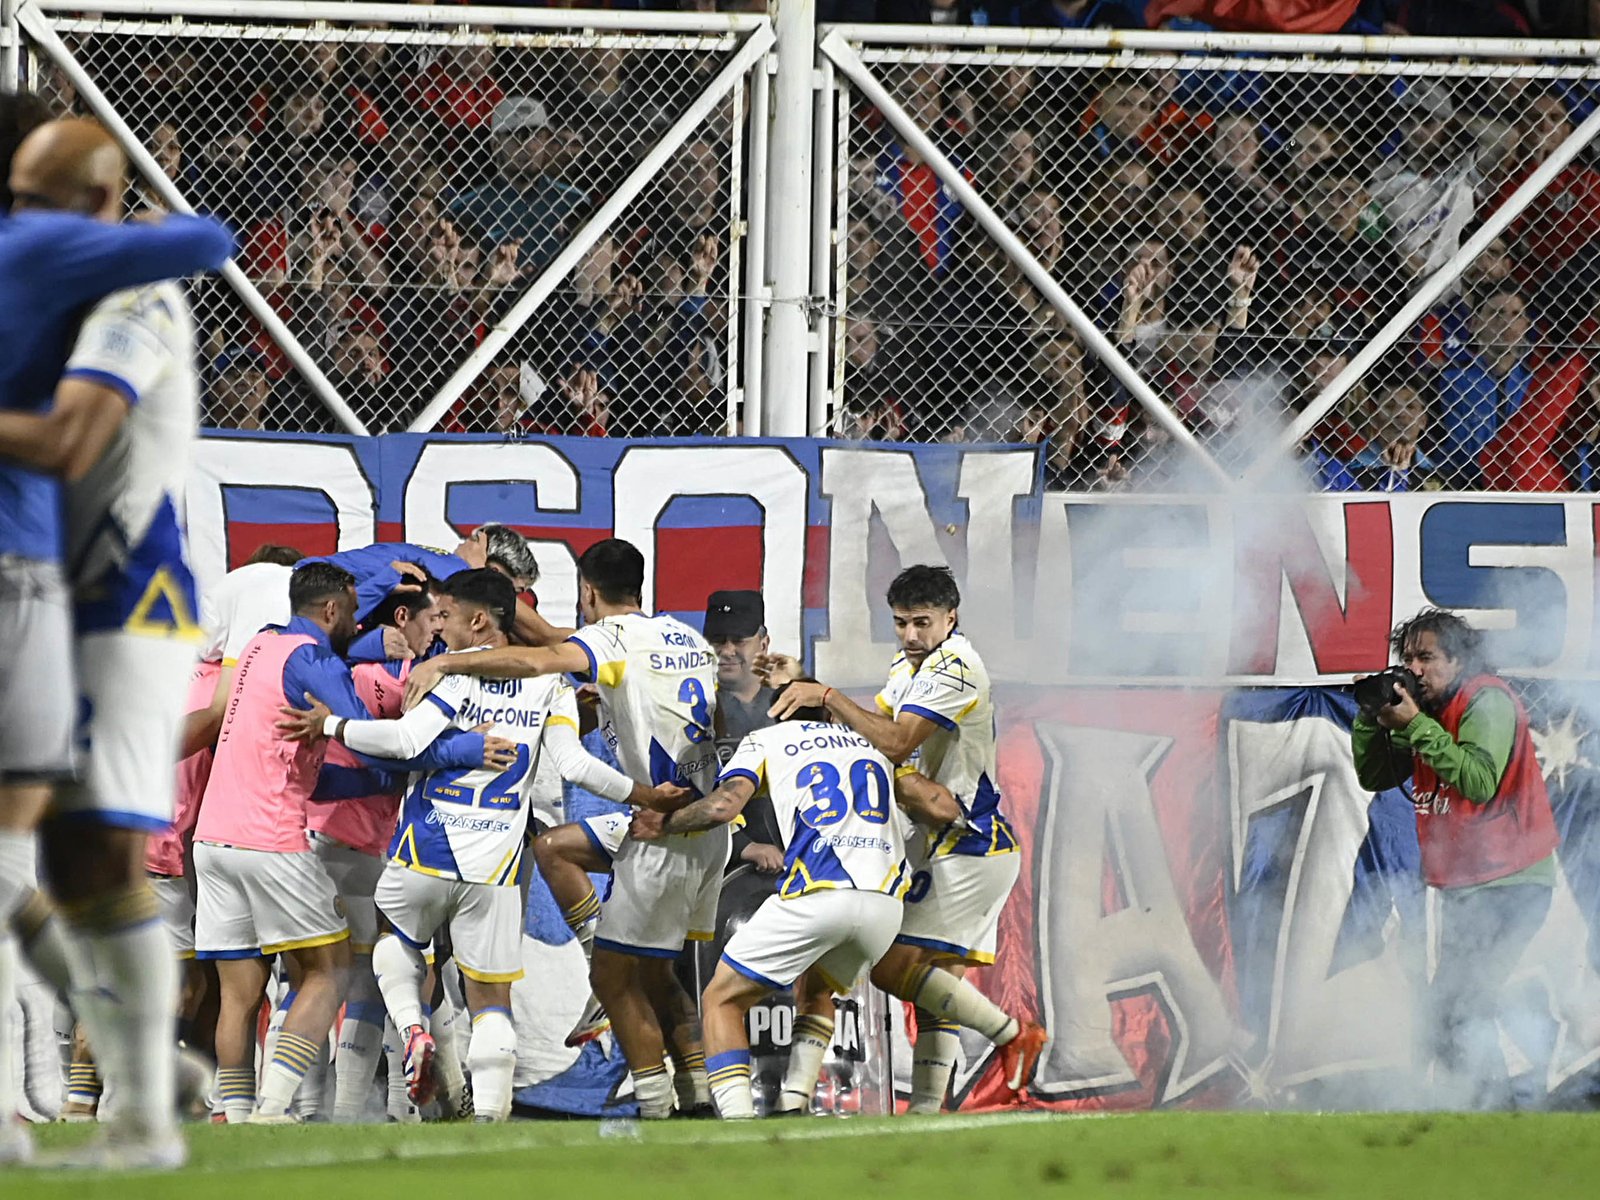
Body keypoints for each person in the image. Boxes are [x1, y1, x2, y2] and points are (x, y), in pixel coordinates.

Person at [0, 102, 232, 1167]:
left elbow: (71, 438)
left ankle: (136, 1105)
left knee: (83, 860)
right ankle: (141, 1075)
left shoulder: (130, 297)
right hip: (58, 591)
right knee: (54, 866)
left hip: (123, 602)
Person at [279, 569, 686, 1122]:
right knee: (490, 998)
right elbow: (574, 765)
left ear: (479, 621)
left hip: (426, 848)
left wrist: (331, 727)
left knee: (394, 942)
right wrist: (643, 794)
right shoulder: (551, 685)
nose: (439, 629)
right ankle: (490, 1120)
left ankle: (412, 1028)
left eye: (447, 617)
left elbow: (403, 741)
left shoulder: (453, 676)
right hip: (494, 864)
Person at [404, 537, 723, 1120]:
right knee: (638, 953)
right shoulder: (685, 637)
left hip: (663, 824)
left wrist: (444, 660)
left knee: (612, 977)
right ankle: (697, 1091)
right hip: (703, 824)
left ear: (588, 593)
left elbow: (538, 656)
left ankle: (654, 1106)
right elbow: (563, 645)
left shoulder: (610, 638)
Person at [191, 561, 512, 1123]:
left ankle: (236, 1115)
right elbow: (372, 740)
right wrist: (459, 753)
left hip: (214, 837)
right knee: (331, 971)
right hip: (273, 835)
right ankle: (274, 1107)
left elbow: (336, 772)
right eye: (353, 611)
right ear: (333, 609)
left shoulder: (261, 644)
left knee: (240, 991)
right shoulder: (314, 660)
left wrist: (380, 772)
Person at [762, 565, 1046, 1112]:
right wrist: (809, 687)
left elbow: (893, 743)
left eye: (922, 623)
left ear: (950, 618)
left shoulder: (958, 666)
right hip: (929, 840)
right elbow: (871, 729)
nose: (911, 635)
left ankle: (1015, 1035)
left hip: (967, 842)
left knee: (891, 968)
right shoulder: (910, 663)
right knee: (893, 979)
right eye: (900, 624)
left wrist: (825, 692)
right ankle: (906, 1116)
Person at [629, 681, 964, 1120]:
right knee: (819, 985)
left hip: (822, 896)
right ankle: (794, 1102)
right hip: (884, 908)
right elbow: (940, 807)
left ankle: (738, 1126)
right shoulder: (871, 746)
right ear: (826, 716)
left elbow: (723, 808)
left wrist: (666, 822)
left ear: (778, 715)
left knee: (722, 1000)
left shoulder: (766, 740)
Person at [1352, 608, 1559, 1109]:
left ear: (1460, 659)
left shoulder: (1485, 700)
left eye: (1426, 658)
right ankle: (1476, 1106)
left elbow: (1479, 783)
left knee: (1459, 1004)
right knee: (1448, 1006)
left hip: (1512, 880)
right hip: (1467, 883)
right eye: (1407, 658)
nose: (1414, 670)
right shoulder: (1430, 713)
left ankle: (1493, 1107)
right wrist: (1369, 720)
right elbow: (1375, 775)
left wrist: (1418, 726)